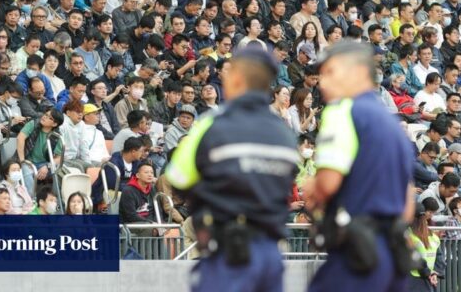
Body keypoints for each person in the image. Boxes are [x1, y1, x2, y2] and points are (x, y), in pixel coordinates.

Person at [166, 44, 298, 292]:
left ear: (235, 78)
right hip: (271, 253)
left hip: (226, 252)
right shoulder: (285, 134)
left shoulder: (212, 125)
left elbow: (178, 179)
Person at [305, 42, 414, 292]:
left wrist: (313, 186)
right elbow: (408, 205)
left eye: (331, 72)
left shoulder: (343, 111)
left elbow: (327, 184)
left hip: (357, 256)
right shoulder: (393, 124)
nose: (322, 82)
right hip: (392, 254)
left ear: (357, 73)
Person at [16, 109, 64, 197]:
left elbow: (59, 157)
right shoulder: (33, 124)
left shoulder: (57, 136)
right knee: (26, 171)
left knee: (60, 171)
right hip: (27, 160)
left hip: (44, 163)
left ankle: (55, 200)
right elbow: (20, 138)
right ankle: (31, 200)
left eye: (49, 117)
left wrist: (47, 166)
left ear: (54, 124)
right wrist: (22, 161)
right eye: (45, 114)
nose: (44, 117)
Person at [409, 202, 441, 291]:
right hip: (429, 280)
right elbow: (440, 259)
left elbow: (414, 257)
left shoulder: (408, 235)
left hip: (414, 281)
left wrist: (429, 273)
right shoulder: (434, 237)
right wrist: (434, 273)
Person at [118, 162, 157, 230]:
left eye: (152, 172)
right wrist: (151, 223)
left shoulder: (152, 189)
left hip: (148, 223)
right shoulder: (128, 191)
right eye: (146, 172)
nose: (150, 175)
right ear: (138, 175)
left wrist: (157, 223)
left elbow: (157, 210)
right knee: (148, 228)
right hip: (130, 224)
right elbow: (131, 216)